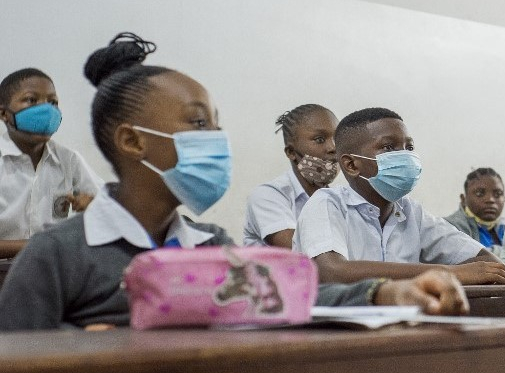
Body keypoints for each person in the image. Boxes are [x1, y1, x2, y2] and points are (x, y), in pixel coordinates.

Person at [0, 34, 468, 331]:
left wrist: (386, 293)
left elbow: (294, 293)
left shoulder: (209, 246)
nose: (217, 140)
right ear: (132, 141)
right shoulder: (57, 255)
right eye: (198, 124)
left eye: (216, 124)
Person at [293, 107, 505, 285]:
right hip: (334, 334)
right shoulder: (327, 203)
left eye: (408, 147)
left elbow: (487, 264)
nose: (404, 155)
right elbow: (332, 271)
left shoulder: (411, 213)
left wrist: (471, 273)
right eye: (388, 148)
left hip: (401, 330)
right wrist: (450, 274)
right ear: (352, 165)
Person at [0, 68, 102, 259]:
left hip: (53, 272)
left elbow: (107, 205)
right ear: (4, 114)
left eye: (53, 102)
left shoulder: (68, 159)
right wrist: (40, 245)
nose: (47, 109)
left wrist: (94, 205)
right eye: (31, 100)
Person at [243, 104, 339, 248]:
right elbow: (301, 253)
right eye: (320, 139)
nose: (333, 147)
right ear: (291, 152)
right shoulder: (268, 195)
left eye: (337, 138)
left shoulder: (340, 199)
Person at [445, 167, 505, 254]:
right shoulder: (449, 228)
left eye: (498, 194)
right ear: (463, 199)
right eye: (480, 193)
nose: (490, 199)